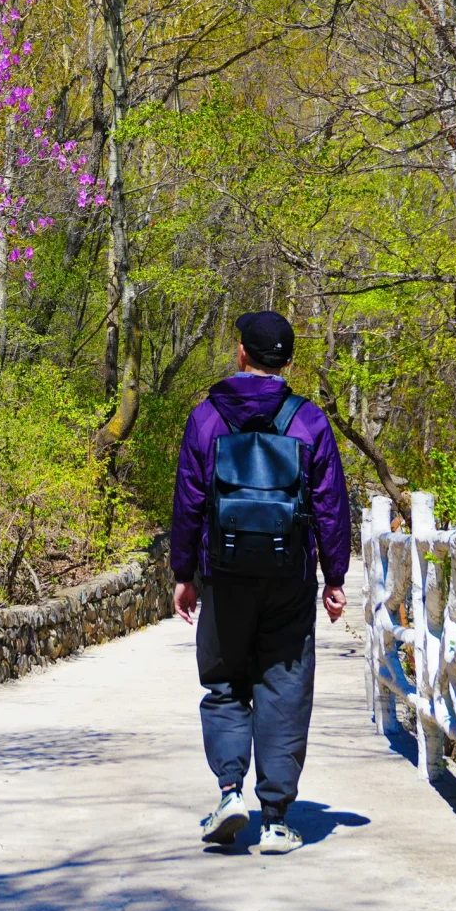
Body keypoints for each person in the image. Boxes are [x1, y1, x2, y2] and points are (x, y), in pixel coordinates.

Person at [171, 310, 350, 855]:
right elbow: (330, 506)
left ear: (241, 354)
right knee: (285, 690)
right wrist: (334, 576)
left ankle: (230, 793)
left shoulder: (206, 418)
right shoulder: (309, 421)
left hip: (223, 576)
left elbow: (189, 500)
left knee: (224, 685)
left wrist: (184, 574)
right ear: (288, 362)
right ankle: (274, 818)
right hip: (288, 580)